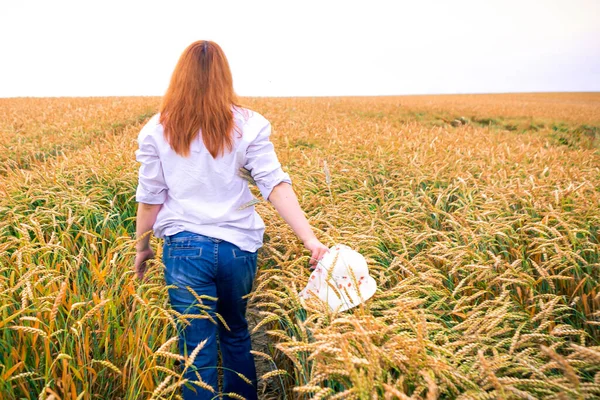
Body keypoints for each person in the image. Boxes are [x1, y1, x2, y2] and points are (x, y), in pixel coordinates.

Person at [133, 40, 329, 400]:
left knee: (197, 347)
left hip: (185, 249)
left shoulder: (158, 129)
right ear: (225, 76)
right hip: (238, 248)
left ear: (179, 77)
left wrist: (142, 249)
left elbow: (149, 199)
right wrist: (309, 240)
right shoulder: (249, 124)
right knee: (237, 333)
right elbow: (275, 183)